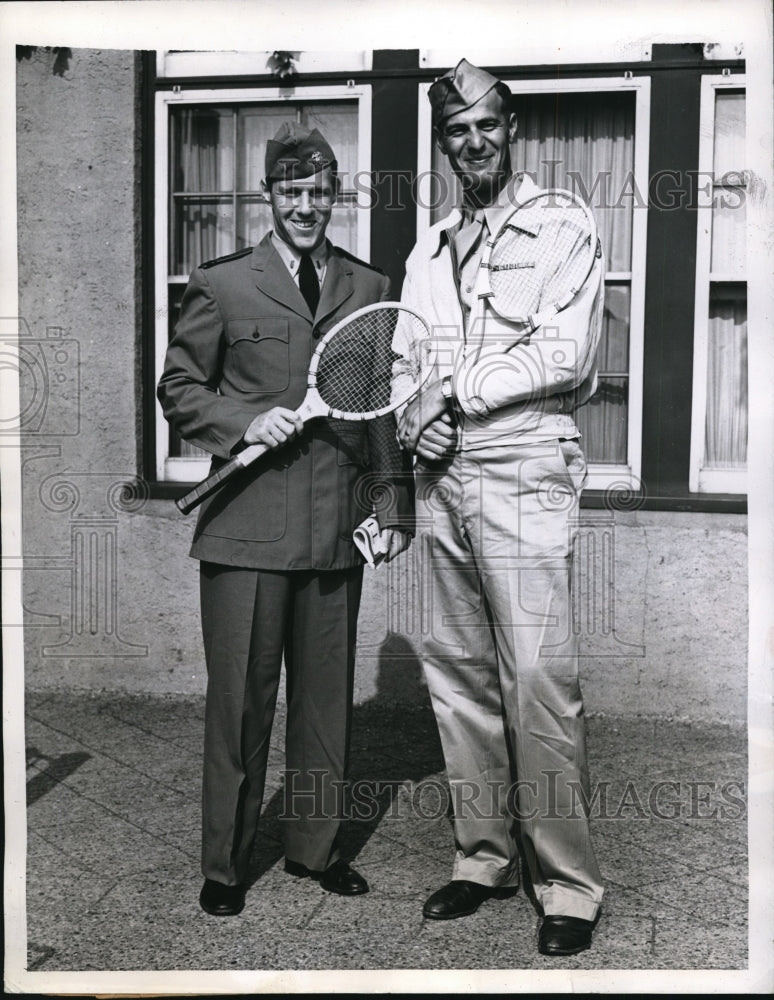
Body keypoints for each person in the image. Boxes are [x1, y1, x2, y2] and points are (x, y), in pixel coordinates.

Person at [158, 122, 413, 917]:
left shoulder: (369, 289)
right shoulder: (224, 283)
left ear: (335, 196)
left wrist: (392, 502)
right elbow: (178, 387)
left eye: (319, 192)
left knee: (324, 703)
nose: (306, 206)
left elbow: (380, 411)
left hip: (335, 529)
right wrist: (245, 422)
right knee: (240, 702)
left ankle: (313, 848)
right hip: (246, 531)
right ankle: (226, 865)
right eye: (291, 192)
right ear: (268, 195)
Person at [393, 59, 605, 956]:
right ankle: (482, 858)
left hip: (525, 461)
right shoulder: (429, 245)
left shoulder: (561, 221)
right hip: (443, 476)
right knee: (460, 679)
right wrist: (414, 417)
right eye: (455, 132)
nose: (472, 142)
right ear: (442, 144)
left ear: (510, 127)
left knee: (539, 680)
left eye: (485, 125)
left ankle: (566, 884)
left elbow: (565, 351)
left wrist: (454, 397)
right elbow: (405, 354)